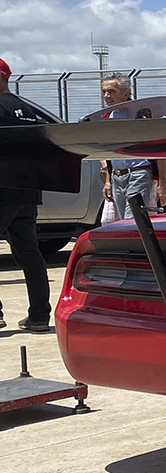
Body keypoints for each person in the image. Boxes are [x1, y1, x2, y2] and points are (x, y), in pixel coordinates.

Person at [0, 58, 52, 332]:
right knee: (30, 253)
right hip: (27, 191)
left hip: (2, 189)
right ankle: (40, 315)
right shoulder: (27, 107)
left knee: (28, 252)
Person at [99, 72, 166, 219]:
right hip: (117, 176)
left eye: (112, 91)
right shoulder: (105, 119)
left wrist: (162, 184)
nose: (107, 96)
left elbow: (158, 150)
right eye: (104, 91)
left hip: (139, 173)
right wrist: (108, 180)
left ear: (126, 94)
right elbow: (105, 152)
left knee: (135, 219)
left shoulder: (141, 117)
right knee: (122, 221)